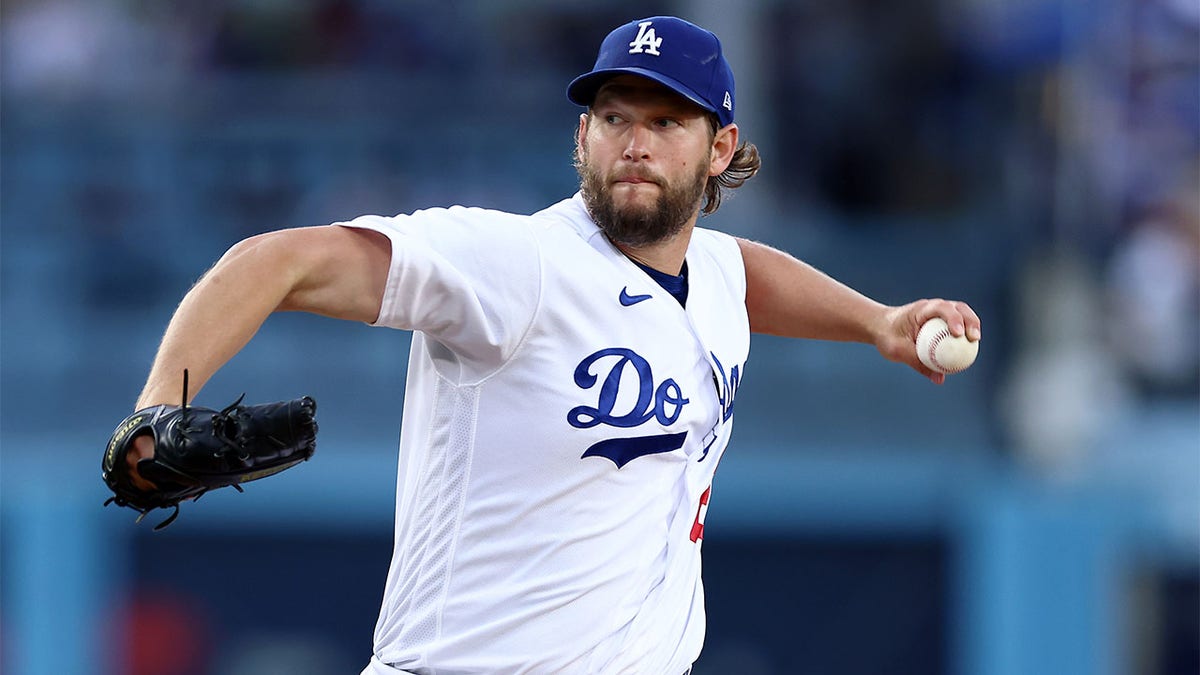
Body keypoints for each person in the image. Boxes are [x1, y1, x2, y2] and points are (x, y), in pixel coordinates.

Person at [119, 15, 981, 675]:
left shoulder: (711, 273)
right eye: (613, 117)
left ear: (718, 150)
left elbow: (746, 274)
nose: (634, 143)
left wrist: (878, 321)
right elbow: (274, 260)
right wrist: (159, 404)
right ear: (582, 138)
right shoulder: (517, 264)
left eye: (665, 121)